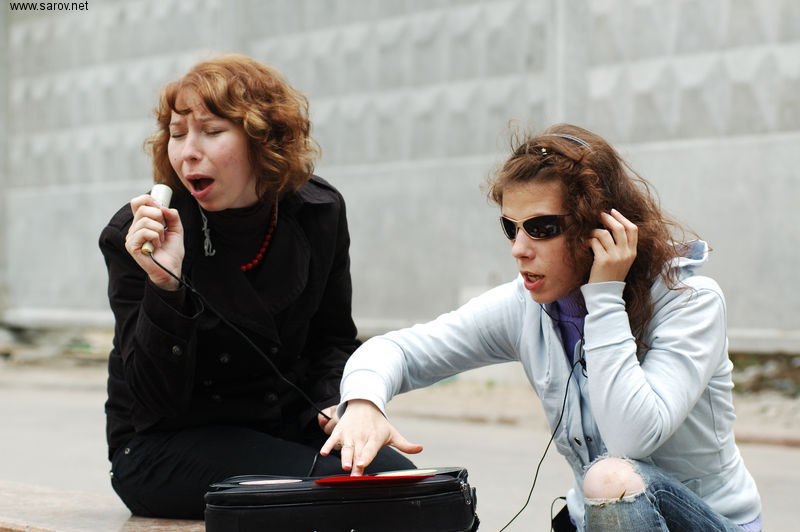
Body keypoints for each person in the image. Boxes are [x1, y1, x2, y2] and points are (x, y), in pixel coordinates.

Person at [321, 124, 763, 531]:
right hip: (592, 522)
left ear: (601, 227)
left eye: (541, 228)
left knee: (610, 479)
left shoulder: (690, 301)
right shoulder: (526, 305)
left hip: (712, 523)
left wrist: (603, 296)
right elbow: (399, 350)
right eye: (510, 228)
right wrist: (363, 402)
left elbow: (630, 439)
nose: (519, 248)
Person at [98, 54, 413, 519]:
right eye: (178, 134)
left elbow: (332, 340)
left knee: (409, 487)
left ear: (264, 139)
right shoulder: (141, 233)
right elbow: (152, 400)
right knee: (355, 499)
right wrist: (166, 287)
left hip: (282, 427)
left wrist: (336, 404)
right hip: (164, 446)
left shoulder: (317, 212)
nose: (187, 152)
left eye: (212, 131)